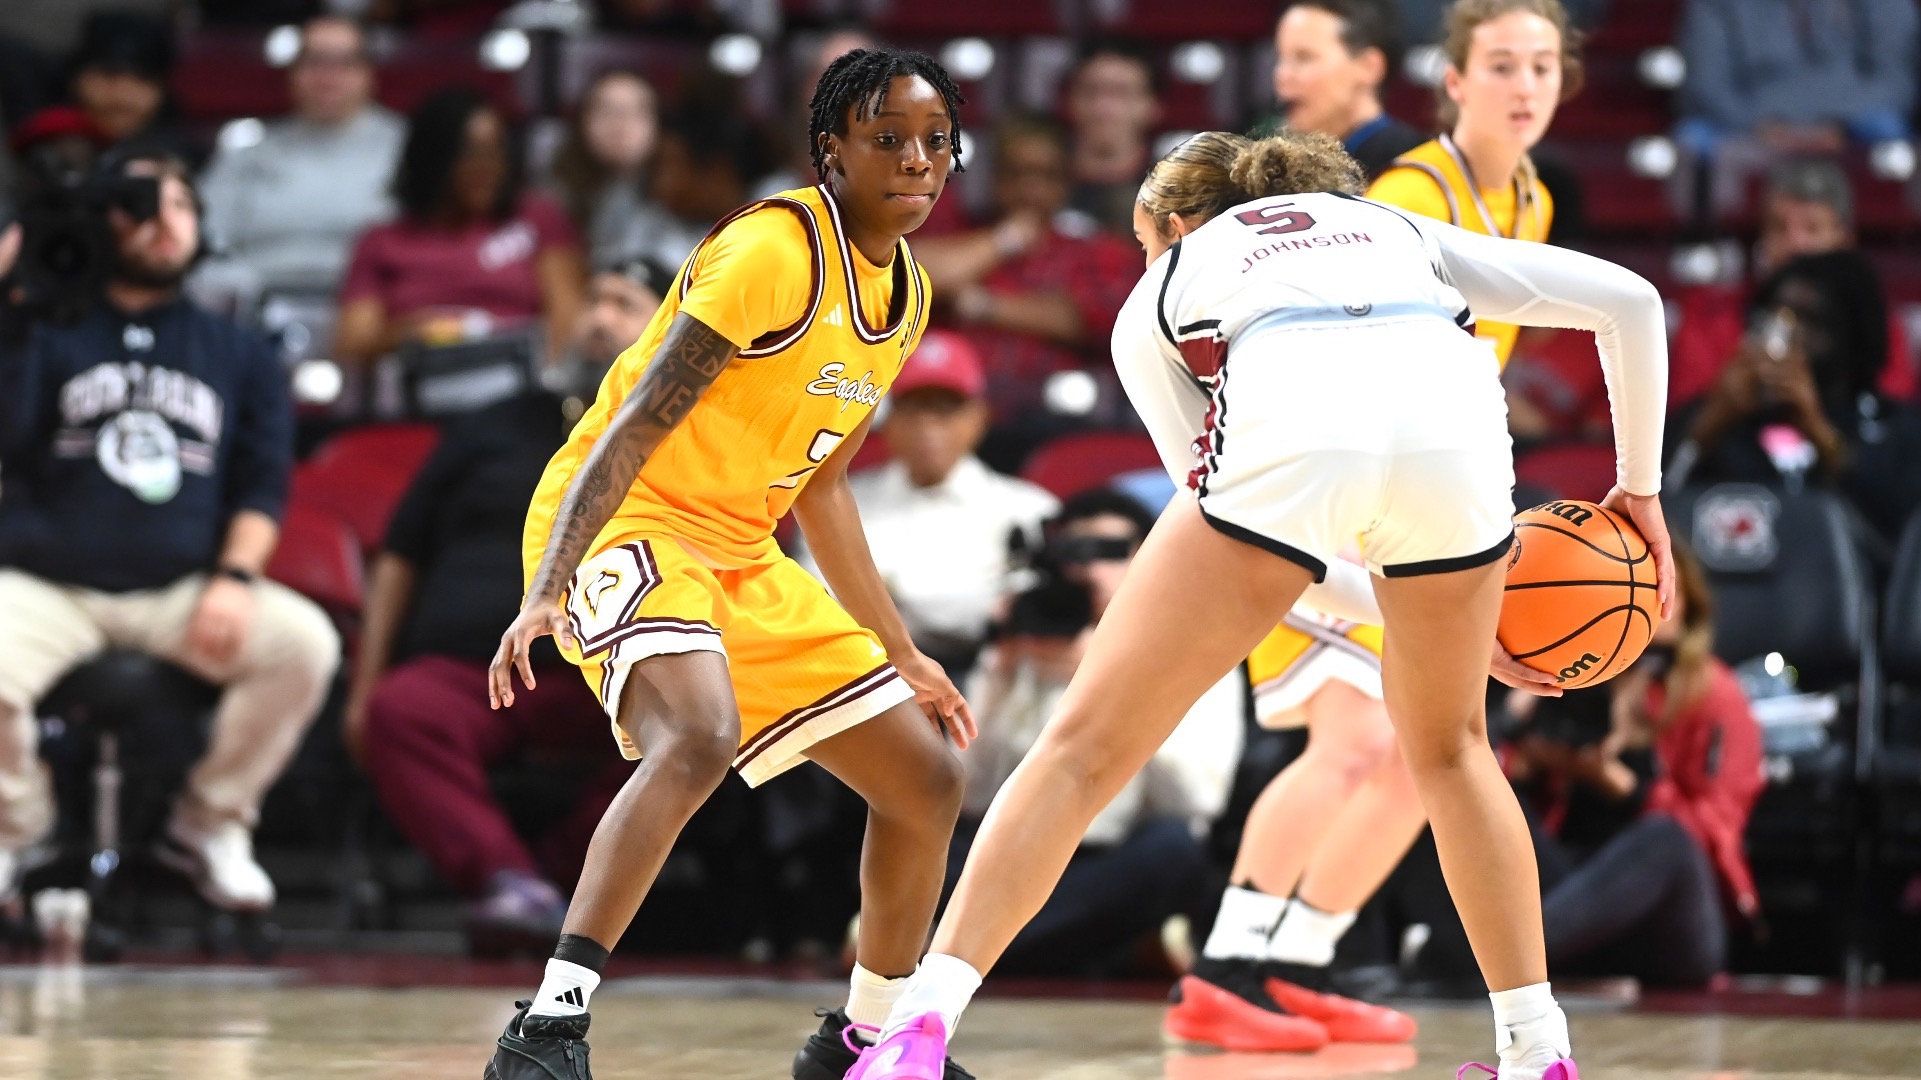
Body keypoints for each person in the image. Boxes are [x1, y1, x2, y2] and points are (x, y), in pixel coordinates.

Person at [847, 130, 1674, 1080]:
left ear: (1174, 224)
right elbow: (1631, 302)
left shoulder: (1166, 282)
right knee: (1452, 753)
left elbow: (1235, 523)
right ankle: (1536, 1050)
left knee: (1080, 753)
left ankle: (916, 1030)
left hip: (1294, 408)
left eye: (1143, 242)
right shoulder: (1392, 225)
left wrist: (1388, 599)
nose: (1145, 258)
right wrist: (1637, 492)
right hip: (1452, 425)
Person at [481, 48, 984, 1080]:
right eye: (888, 139)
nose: (916, 161)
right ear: (831, 150)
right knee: (699, 733)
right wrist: (547, 588)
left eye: (936, 142)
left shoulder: (907, 298)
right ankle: (547, 1028)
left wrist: (901, 653)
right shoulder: (770, 251)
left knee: (927, 778)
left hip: (741, 550)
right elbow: (630, 426)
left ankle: (862, 1044)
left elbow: (824, 488)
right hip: (626, 518)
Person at [0, 149, 340, 907]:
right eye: (140, 203)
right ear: (99, 220)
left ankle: (209, 821)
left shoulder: (239, 350)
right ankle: (18, 826)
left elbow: (261, 484)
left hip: (182, 588)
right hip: (49, 583)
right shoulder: (39, 330)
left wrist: (235, 578)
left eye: (181, 204)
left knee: (303, 645)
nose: (164, 221)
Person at [347, 260, 668, 956]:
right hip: (473, 670)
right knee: (398, 710)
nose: (598, 317)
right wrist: (364, 681)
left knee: (692, 732)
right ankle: (510, 881)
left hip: (604, 679)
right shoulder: (493, 424)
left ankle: (559, 882)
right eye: (593, 299)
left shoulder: (684, 441)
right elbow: (400, 553)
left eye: (624, 304)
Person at [1417, 543, 1762, 987]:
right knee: (1447, 797)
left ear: (1685, 605)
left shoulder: (1713, 693)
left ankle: (1484, 963)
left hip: (1669, 922)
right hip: (1572, 903)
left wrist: (1626, 787)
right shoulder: (1575, 669)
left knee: (1666, 841)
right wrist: (1522, 746)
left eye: (1654, 593)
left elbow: (1714, 835)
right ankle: (1479, 957)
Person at [953, 490, 1242, 976]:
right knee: (916, 834)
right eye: (1074, 553)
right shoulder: (1031, 632)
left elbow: (1195, 800)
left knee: (1175, 853)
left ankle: (961, 951)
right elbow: (967, 792)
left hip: (1115, 855)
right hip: (1010, 853)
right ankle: (1092, 951)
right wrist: (1000, 672)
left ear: (1149, 557)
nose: (1089, 570)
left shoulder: (1194, 643)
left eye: (1109, 553)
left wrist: (1117, 683)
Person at [1166, 581, 1425, 1050]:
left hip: (1433, 549)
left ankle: (1297, 964)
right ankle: (1224, 965)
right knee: (1354, 743)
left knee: (1419, 763)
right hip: (1340, 541)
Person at [793, 330, 1058, 678]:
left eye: (945, 409)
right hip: (866, 675)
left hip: (990, 675)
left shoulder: (1029, 509)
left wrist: (893, 597)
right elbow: (817, 602)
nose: (927, 424)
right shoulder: (832, 500)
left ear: (979, 417)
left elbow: (1031, 611)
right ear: (887, 418)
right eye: (913, 407)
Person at [914, 114, 1139, 466]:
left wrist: (982, 304)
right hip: (950, 416)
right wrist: (1004, 240)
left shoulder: (1095, 251)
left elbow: (1088, 319)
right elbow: (913, 274)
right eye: (1016, 174)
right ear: (994, 178)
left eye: (1045, 175)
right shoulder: (961, 232)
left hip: (1055, 423)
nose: (1030, 188)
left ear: (1065, 182)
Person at [1368, 0, 1579, 371]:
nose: (1526, 88)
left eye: (1542, 68)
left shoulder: (1536, 202)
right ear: (1455, 82)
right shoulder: (1408, 197)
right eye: (1502, 67)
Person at [1666, 249, 1921, 538]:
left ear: (1853, 333)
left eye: (1810, 320)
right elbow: (1656, 509)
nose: (1786, 336)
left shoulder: (1897, 429)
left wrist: (1818, 431)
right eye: (1773, 316)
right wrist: (1707, 427)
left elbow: (1901, 535)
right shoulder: (1717, 419)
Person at [335, 86, 585, 369]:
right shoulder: (382, 241)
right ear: (432, 158)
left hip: (520, 378)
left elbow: (568, 321)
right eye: (471, 153)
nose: (488, 167)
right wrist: (409, 332)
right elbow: (351, 341)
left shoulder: (537, 217)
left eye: (496, 150)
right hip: (422, 378)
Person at [196, 16, 404, 301]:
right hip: (255, 305)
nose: (327, 75)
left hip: (374, 307)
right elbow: (203, 238)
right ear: (292, 73)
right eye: (314, 61)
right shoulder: (248, 152)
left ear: (369, 73)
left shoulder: (408, 150)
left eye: (344, 62)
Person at [1676, 0, 1918, 158]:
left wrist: (1838, 126)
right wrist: (1768, 129)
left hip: (1852, 118)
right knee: (1693, 139)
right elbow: (1707, 85)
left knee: (1890, 130)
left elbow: (1897, 81)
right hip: (1753, 122)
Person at [600, 103, 779, 278]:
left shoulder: (779, 218)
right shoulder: (655, 221)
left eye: (668, 165)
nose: (658, 183)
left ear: (718, 171)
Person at [1256, 0, 1427, 180]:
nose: (1282, 75)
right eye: (1280, 58)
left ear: (1369, 67)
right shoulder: (1276, 166)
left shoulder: (1413, 165)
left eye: (1304, 58)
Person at [546, 70, 661, 266]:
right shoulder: (550, 200)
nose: (620, 124)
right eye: (607, 111)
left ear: (657, 124)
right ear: (582, 120)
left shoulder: (686, 202)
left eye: (635, 111)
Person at [1063, 38, 1163, 235]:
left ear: (1151, 106)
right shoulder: (1038, 188)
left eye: (1121, 93)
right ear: (1071, 101)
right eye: (1091, 92)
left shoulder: (1175, 194)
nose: (1103, 108)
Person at [65, 11, 188, 157]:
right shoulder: (50, 144)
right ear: (77, 77)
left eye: (141, 78)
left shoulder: (187, 157)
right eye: (108, 76)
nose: (122, 96)